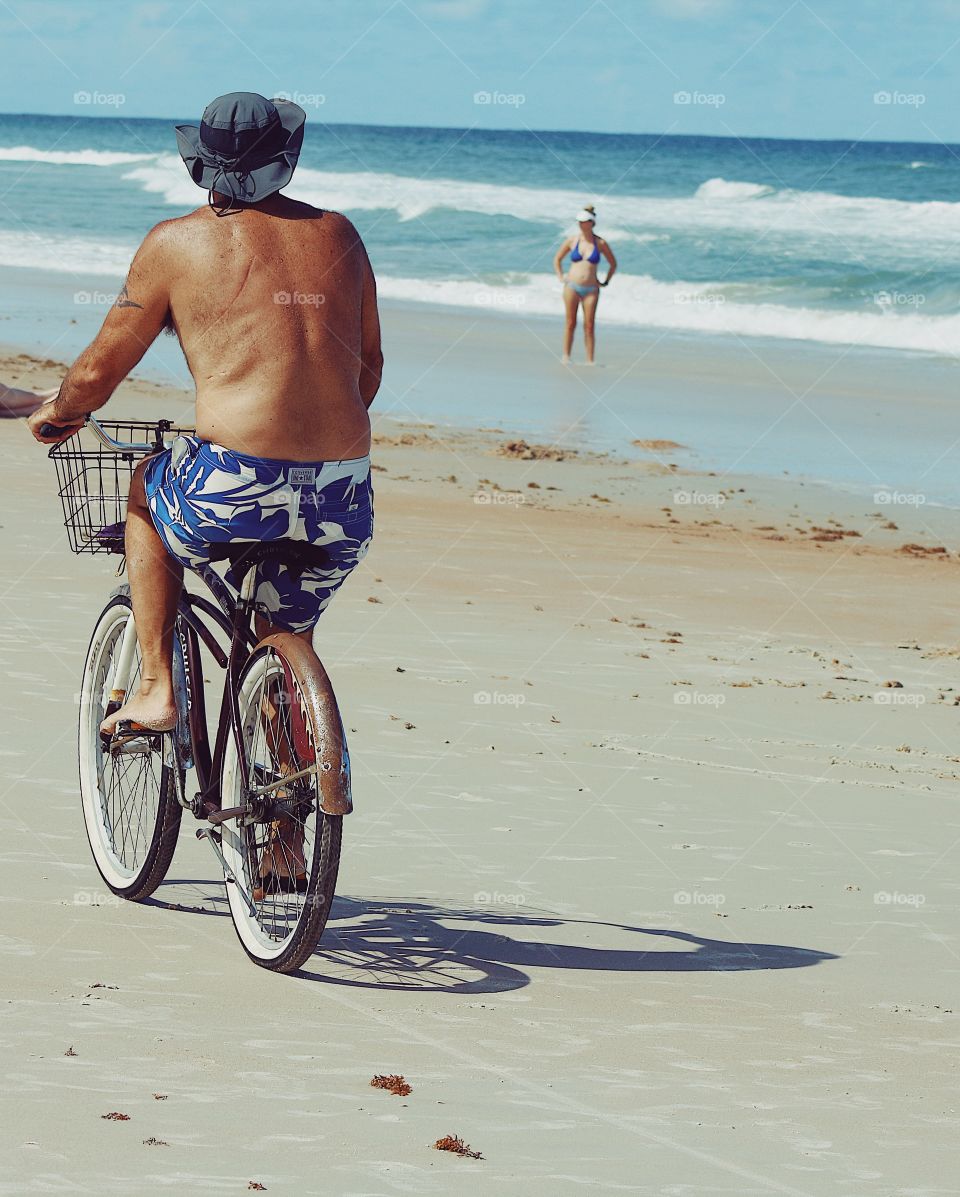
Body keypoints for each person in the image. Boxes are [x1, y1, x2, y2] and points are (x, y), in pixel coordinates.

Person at [27, 92, 383, 740]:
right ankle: (283, 779)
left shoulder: (177, 242)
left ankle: (157, 687)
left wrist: (60, 410)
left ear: (202, 163)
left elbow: (98, 373)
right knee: (282, 626)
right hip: (342, 497)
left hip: (235, 489)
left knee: (145, 491)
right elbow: (369, 369)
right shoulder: (341, 234)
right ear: (285, 159)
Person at [553, 205, 617, 364]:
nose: (582, 225)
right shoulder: (572, 240)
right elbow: (557, 259)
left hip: (591, 289)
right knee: (570, 322)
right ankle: (566, 356)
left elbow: (613, 264)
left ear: (592, 223)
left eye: (585, 222)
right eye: (580, 222)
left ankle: (590, 360)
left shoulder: (600, 243)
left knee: (589, 325)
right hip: (571, 287)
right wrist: (561, 276)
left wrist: (605, 281)